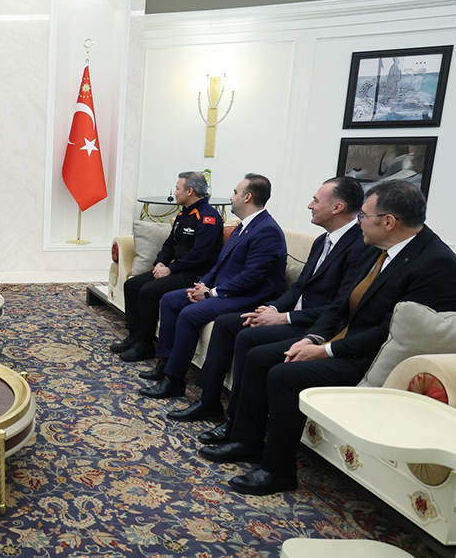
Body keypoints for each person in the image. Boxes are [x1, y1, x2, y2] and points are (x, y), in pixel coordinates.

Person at [200, 181, 456, 496]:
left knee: (283, 374)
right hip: (342, 339)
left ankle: (277, 471)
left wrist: (327, 351)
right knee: (258, 355)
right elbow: (339, 304)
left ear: (388, 222)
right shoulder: (378, 247)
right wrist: (312, 338)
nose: (358, 222)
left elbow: (388, 331)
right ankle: (246, 441)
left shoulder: (436, 263)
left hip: (372, 357)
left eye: (363, 216)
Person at [176, 178, 368, 435]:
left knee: (247, 338)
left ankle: (236, 421)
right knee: (226, 323)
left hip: (315, 325)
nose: (309, 205)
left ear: (337, 207)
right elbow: (298, 288)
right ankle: (209, 402)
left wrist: (285, 318)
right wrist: (272, 309)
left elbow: (339, 306)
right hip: (292, 313)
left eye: (315, 200)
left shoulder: (360, 247)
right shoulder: (323, 240)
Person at [138, 174, 287, 399]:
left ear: (247, 197)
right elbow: (220, 264)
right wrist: (203, 284)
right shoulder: (243, 226)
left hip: (250, 296)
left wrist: (211, 293)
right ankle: (166, 364)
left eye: (235, 193)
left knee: (189, 314)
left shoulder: (267, 230)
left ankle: (174, 381)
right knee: (170, 299)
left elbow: (252, 277)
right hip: (226, 290)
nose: (231, 197)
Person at [114, 171, 223, 361]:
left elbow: (200, 255)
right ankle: (134, 335)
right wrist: (160, 263)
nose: (174, 192)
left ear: (190, 191)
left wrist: (170, 269)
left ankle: (145, 344)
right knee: (132, 285)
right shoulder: (183, 214)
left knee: (149, 291)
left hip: (196, 274)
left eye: (178, 188)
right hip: (178, 268)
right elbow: (169, 244)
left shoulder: (208, 217)